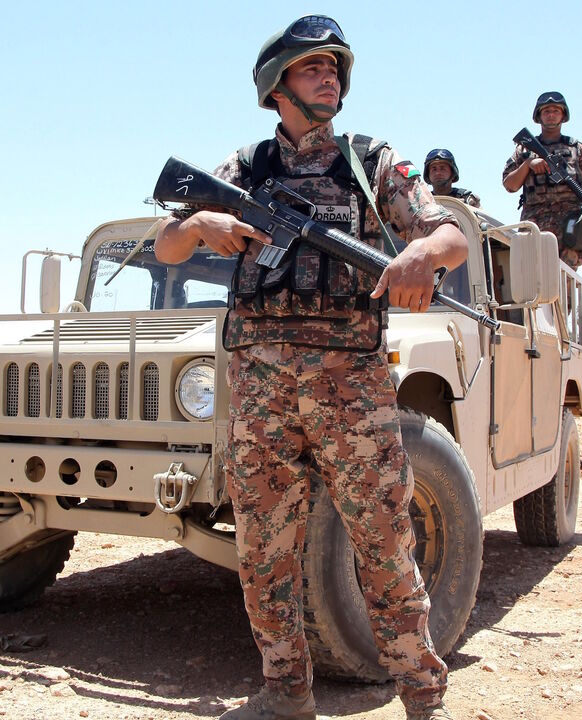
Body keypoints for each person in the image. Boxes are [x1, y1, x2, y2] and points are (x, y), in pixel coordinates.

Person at [153, 15, 464, 720]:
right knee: (264, 552)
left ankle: (422, 695)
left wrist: (423, 254)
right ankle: (285, 690)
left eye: (335, 68)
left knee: (384, 544)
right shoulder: (245, 169)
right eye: (312, 67)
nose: (330, 77)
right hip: (260, 392)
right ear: (277, 85)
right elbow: (168, 245)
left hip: (350, 388)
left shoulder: (369, 161)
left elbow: (448, 233)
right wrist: (201, 227)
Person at [501, 91, 582, 269]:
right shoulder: (525, 149)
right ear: (539, 116)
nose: (551, 115)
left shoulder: (576, 148)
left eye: (555, 111)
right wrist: (528, 164)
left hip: (570, 225)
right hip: (534, 224)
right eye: (546, 111)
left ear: (563, 115)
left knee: (565, 280)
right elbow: (509, 185)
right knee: (532, 279)